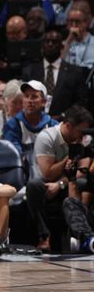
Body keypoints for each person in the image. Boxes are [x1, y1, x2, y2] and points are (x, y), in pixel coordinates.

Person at [27, 105, 93, 252]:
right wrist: (69, 157)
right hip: (47, 184)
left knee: (85, 182)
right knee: (33, 186)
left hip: (66, 183)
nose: (83, 136)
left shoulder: (84, 139)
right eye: (81, 131)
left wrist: (61, 184)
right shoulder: (47, 137)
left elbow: (82, 171)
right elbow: (48, 173)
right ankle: (44, 236)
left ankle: (83, 234)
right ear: (69, 126)